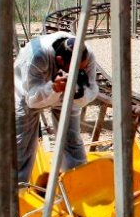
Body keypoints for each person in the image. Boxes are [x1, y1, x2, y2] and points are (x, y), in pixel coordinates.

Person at [14, 32, 98, 183]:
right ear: (59, 60)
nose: (80, 73)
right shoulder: (37, 56)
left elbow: (91, 89)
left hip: (67, 93)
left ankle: (78, 183)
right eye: (75, 71)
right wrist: (53, 88)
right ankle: (17, 190)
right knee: (22, 143)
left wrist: (77, 93)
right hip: (29, 91)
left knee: (71, 138)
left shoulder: (88, 55)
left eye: (82, 69)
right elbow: (32, 99)